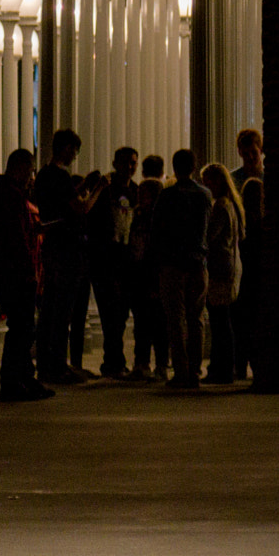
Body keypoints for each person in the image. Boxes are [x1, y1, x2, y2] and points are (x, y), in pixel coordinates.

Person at [32, 130, 105, 384]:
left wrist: (83, 184)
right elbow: (80, 208)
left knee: (50, 308)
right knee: (63, 310)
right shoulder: (61, 175)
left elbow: (59, 202)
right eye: (75, 150)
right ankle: (58, 366)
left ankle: (45, 364)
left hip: (52, 247)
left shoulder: (44, 175)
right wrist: (97, 189)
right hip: (68, 249)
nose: (75, 155)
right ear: (66, 149)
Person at [0, 149, 49, 402]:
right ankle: (13, 381)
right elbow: (15, 237)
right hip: (15, 272)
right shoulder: (9, 195)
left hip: (8, 270)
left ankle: (23, 379)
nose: (31, 177)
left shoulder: (1, 193)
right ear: (21, 168)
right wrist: (29, 271)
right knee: (21, 328)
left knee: (23, 328)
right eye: (30, 171)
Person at [148, 148, 213, 391]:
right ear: (194, 168)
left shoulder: (166, 197)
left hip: (173, 264)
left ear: (174, 168)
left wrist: (154, 265)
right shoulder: (205, 195)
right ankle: (195, 371)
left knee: (175, 320)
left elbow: (157, 233)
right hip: (197, 262)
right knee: (196, 319)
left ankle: (181, 371)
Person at [85, 148, 139, 379]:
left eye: (133, 163)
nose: (130, 167)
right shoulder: (105, 189)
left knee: (121, 312)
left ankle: (115, 360)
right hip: (105, 259)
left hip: (126, 260)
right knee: (110, 312)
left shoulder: (135, 190)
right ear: (115, 162)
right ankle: (113, 361)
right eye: (126, 162)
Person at [199, 162, 245, 385]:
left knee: (220, 322)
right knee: (223, 321)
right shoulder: (231, 204)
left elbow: (210, 237)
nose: (206, 184)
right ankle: (224, 367)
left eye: (209, 180)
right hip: (228, 266)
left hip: (219, 268)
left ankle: (222, 368)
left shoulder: (220, 206)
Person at [126, 156, 169, 381]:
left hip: (153, 275)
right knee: (141, 323)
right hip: (138, 274)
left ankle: (162, 364)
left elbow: (157, 251)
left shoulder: (159, 220)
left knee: (159, 324)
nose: (141, 198)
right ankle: (141, 363)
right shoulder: (138, 216)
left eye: (146, 195)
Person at [230, 128, 265, 382]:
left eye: (253, 152)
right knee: (241, 314)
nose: (249, 157)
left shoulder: (267, 178)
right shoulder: (234, 180)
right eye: (245, 153)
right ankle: (241, 363)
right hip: (242, 252)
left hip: (260, 255)